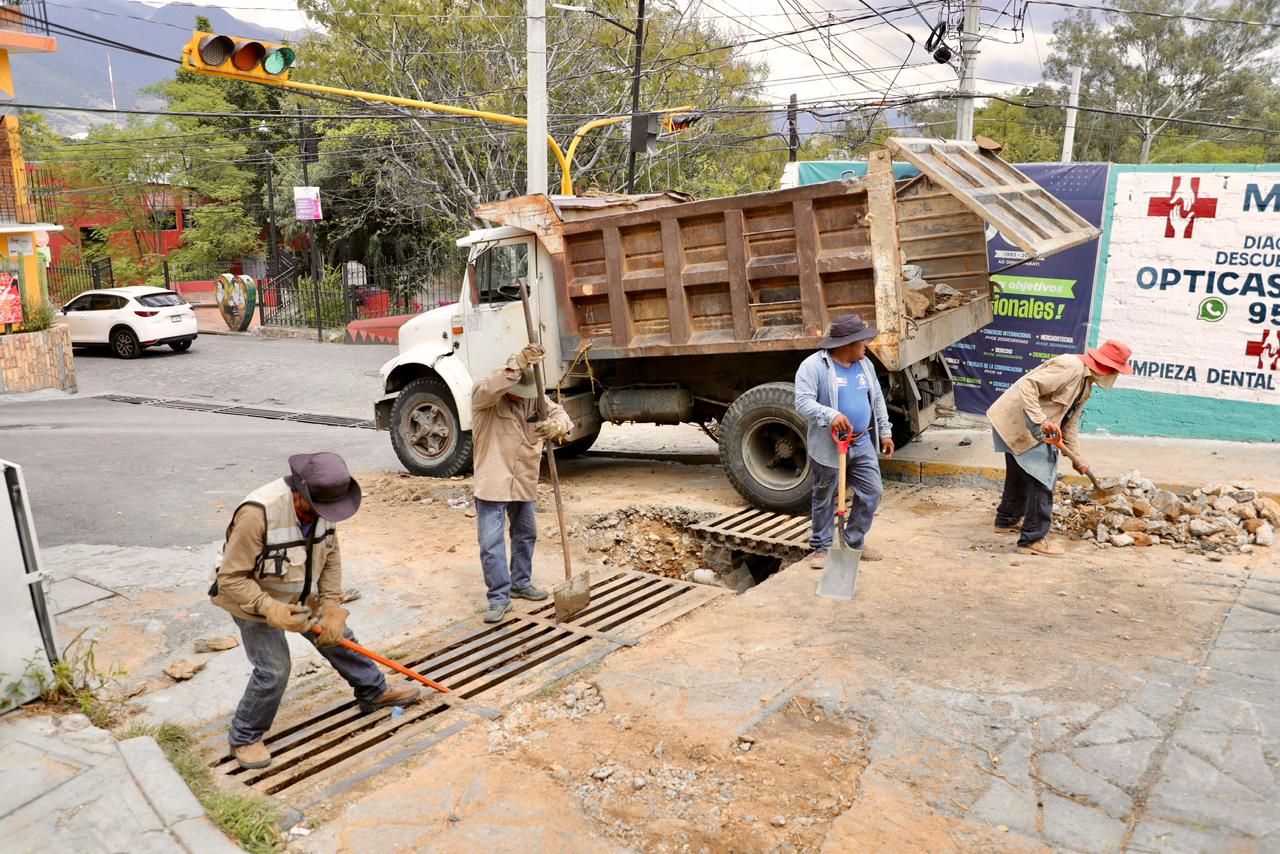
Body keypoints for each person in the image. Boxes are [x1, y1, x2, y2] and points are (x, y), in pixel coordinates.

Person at [210, 452, 420, 770]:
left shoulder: (326, 504)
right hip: (250, 598)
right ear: (300, 492)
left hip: (299, 590)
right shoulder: (258, 514)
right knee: (274, 669)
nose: (329, 513)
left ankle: (372, 691)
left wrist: (332, 605)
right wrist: (269, 608)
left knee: (338, 635)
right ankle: (244, 736)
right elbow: (230, 578)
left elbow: (331, 554)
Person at [986, 340, 1134, 556]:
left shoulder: (1086, 386)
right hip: (1017, 422)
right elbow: (1029, 385)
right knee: (1043, 479)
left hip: (1025, 426)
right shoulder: (1070, 366)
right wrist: (1040, 420)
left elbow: (1070, 424)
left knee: (1020, 473)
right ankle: (1032, 539)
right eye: (1116, 370)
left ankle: (1006, 519)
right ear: (1107, 367)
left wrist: (1078, 458)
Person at [471, 345, 574, 623]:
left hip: (523, 481)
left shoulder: (534, 401)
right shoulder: (486, 395)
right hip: (493, 481)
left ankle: (520, 582)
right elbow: (490, 389)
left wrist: (558, 427)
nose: (521, 397)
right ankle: (499, 598)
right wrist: (517, 364)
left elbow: (562, 416)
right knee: (491, 544)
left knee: (526, 534)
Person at [794, 314, 894, 568]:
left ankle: (853, 541)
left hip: (861, 443)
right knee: (825, 496)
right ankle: (822, 547)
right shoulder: (813, 366)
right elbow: (802, 402)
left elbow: (878, 399)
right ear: (846, 345)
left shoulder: (865, 365)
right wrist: (832, 414)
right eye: (862, 341)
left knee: (872, 492)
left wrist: (885, 431)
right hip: (829, 445)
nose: (865, 345)